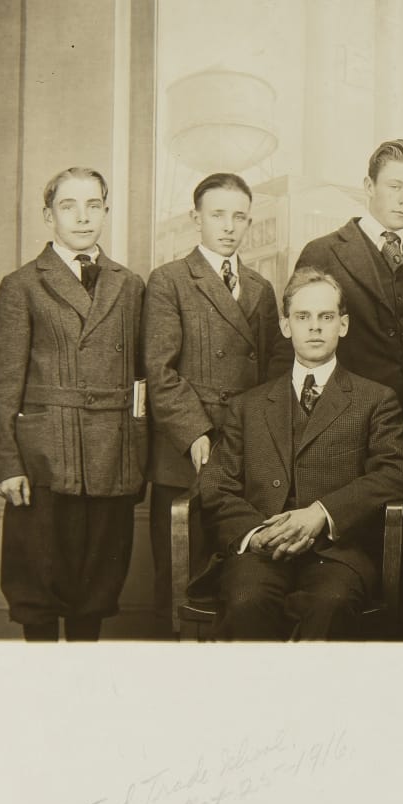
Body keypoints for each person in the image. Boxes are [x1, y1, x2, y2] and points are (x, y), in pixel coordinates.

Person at [199, 267, 403, 640]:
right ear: (286, 326)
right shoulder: (249, 406)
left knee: (330, 603)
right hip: (261, 552)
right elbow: (216, 485)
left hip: (336, 553)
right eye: (303, 317)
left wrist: (322, 514)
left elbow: (395, 473)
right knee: (247, 599)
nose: (315, 327)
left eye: (326, 317)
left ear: (342, 325)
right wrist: (257, 533)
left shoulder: (375, 399)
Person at [0, 167, 147, 641]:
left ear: (106, 212)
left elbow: (142, 383)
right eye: (68, 206)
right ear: (48, 215)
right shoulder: (22, 285)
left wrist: (134, 456)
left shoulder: (130, 284)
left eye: (93, 205)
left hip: (110, 459)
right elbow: (3, 385)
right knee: (38, 593)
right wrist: (6, 463)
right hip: (43, 462)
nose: (82, 217)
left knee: (93, 593)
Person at [142, 172, 293, 635]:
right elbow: (160, 371)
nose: (229, 226)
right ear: (196, 218)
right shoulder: (169, 281)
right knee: (181, 582)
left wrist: (262, 438)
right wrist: (195, 433)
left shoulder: (260, 287)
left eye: (239, 216)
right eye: (217, 215)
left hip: (244, 453)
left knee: (241, 582)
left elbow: (274, 372)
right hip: (185, 453)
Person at [295, 139, 403, 431]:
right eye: (395, 186)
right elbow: (292, 347)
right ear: (369, 186)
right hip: (347, 421)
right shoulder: (323, 253)